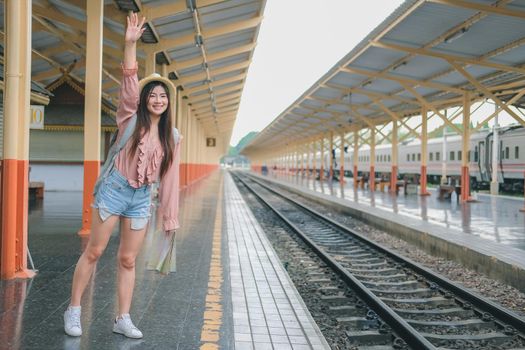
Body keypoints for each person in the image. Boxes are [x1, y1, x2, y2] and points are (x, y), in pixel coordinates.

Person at [64, 13, 181, 339]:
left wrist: (170, 218)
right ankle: (73, 310)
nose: (157, 100)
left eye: (163, 96)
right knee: (95, 252)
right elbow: (130, 78)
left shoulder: (174, 136)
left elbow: (170, 179)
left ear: (168, 102)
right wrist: (130, 43)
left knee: (128, 260)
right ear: (145, 100)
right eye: (152, 95)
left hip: (142, 197)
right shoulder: (130, 114)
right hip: (114, 190)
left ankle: (122, 318)